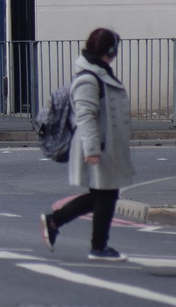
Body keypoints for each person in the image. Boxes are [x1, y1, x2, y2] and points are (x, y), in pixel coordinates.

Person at [41, 27, 135, 261]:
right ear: (110, 50)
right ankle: (97, 246)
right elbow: (85, 116)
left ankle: (56, 222)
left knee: (102, 195)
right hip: (98, 146)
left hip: (105, 145)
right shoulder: (88, 78)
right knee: (106, 195)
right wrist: (92, 148)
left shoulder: (100, 73)